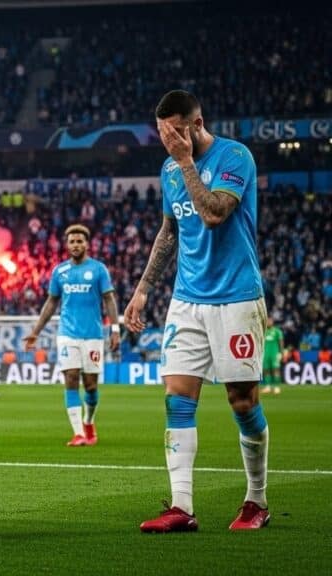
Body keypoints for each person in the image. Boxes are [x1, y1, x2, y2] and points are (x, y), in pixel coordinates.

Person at [124, 90, 270, 533]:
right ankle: (181, 508)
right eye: (161, 132)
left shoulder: (234, 156)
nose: (166, 139)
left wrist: (186, 162)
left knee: (242, 402)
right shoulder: (168, 169)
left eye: (173, 130)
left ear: (195, 122)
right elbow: (170, 230)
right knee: (177, 399)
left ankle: (256, 500)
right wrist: (144, 289)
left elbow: (213, 214)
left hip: (237, 297)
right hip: (187, 300)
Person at [23, 224, 120, 447]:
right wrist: (36, 331)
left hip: (93, 335)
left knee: (91, 386)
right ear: (66, 245)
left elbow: (109, 300)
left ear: (87, 244)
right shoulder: (60, 271)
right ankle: (78, 433)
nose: (76, 245)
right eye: (72, 241)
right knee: (71, 379)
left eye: (80, 241)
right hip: (67, 334)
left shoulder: (98, 270)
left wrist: (115, 330)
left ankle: (88, 422)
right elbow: (51, 302)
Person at [261, 316, 284, 395]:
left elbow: (281, 342)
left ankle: (277, 387)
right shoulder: (263, 331)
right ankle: (268, 387)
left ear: (272, 322)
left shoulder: (277, 331)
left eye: (270, 321)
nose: (268, 322)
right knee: (266, 370)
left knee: (275, 370)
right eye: (267, 321)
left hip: (274, 353)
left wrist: (281, 353)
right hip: (265, 354)